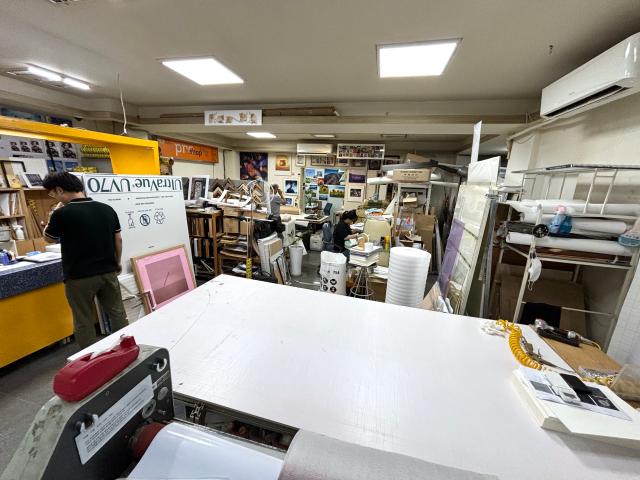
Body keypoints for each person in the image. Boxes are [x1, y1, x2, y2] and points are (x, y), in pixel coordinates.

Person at [43, 172, 128, 348]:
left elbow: (49, 238)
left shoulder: (62, 214)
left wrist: (54, 212)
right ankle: (127, 347)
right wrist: (117, 262)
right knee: (117, 313)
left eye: (52, 193)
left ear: (59, 190)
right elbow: (118, 239)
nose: (53, 197)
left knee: (83, 319)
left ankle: (90, 358)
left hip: (78, 276)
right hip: (108, 271)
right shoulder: (107, 209)